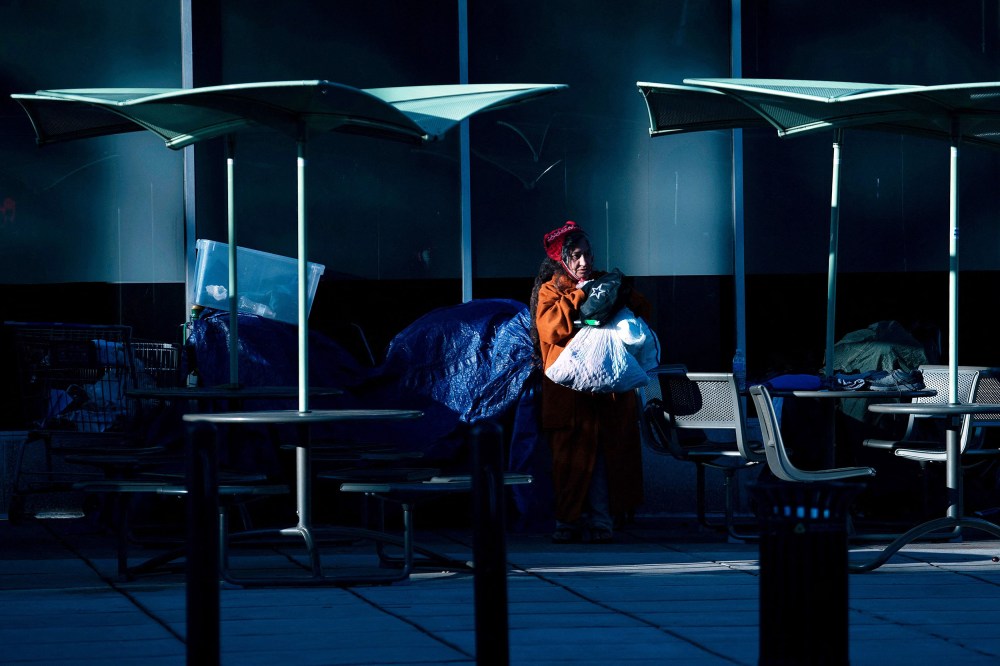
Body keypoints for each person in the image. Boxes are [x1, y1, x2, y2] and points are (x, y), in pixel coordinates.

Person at [529, 220, 651, 543]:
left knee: (603, 462)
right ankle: (568, 522)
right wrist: (581, 298)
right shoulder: (551, 291)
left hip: (604, 398)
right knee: (570, 464)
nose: (584, 262)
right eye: (577, 256)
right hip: (569, 401)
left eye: (588, 254)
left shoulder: (601, 283)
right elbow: (550, 329)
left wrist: (619, 290)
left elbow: (641, 307)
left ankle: (602, 522)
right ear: (563, 260)